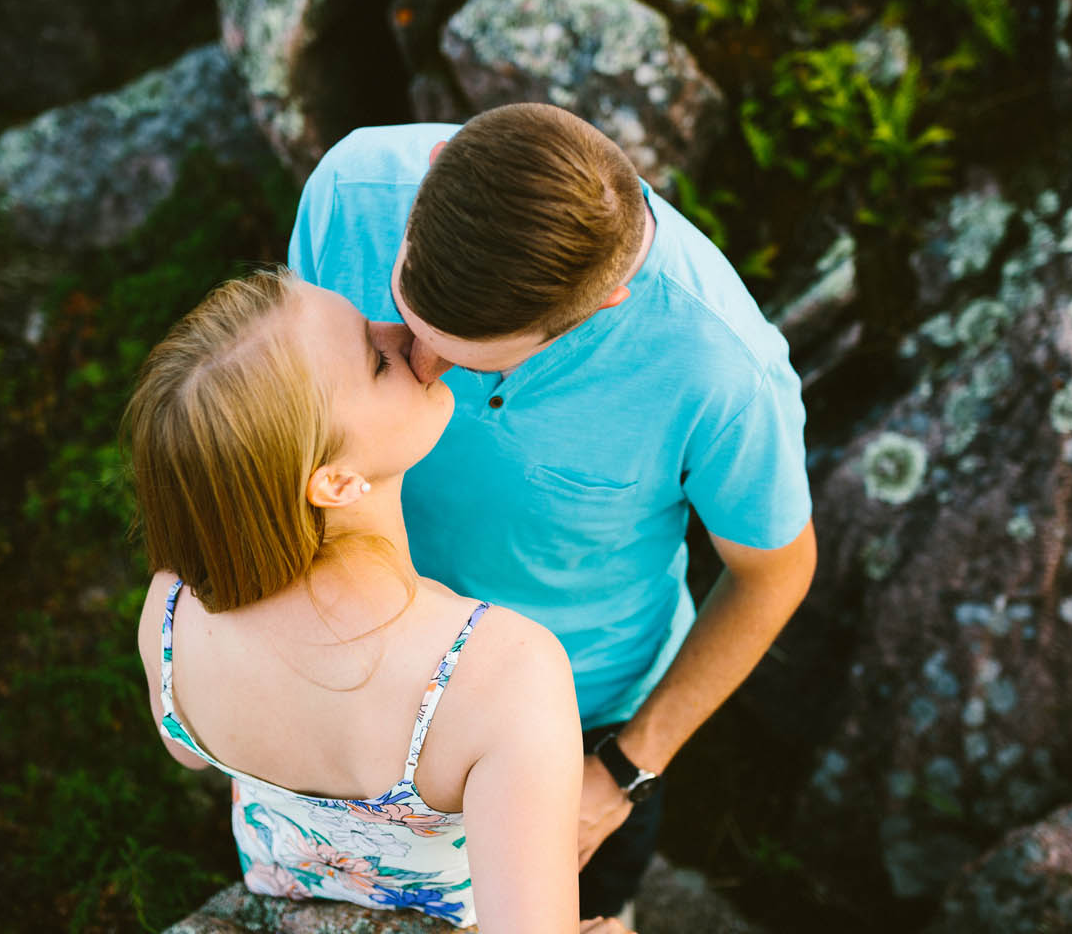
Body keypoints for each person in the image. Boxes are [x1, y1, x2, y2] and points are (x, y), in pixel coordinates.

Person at [289, 102, 818, 920]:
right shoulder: (351, 191)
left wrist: (623, 774)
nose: (418, 368)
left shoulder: (723, 374)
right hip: (359, 661)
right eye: (402, 319)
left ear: (603, 305)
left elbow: (775, 574)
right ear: (433, 172)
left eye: (464, 359)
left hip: (576, 721)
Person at [127, 268, 632, 933]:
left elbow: (187, 751)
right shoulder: (501, 672)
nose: (406, 332)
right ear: (333, 482)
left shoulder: (169, 614)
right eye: (372, 358)